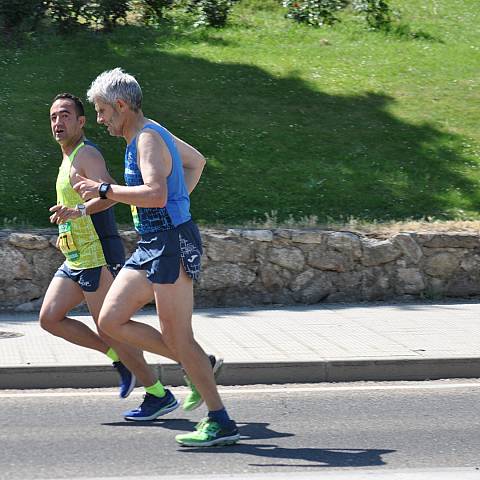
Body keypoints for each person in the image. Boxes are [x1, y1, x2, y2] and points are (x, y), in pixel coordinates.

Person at [74, 68, 240, 447]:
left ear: (120, 106)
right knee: (111, 319)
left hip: (169, 243)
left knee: (177, 337)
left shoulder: (147, 140)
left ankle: (220, 420)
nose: (99, 120)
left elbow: (155, 194)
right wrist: (84, 209)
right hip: (153, 242)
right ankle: (200, 364)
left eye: (101, 111)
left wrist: (105, 188)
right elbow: (195, 162)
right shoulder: (150, 133)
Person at [41, 92, 212, 419]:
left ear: (81, 122)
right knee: (51, 318)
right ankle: (122, 359)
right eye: (53, 117)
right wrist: (75, 212)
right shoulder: (68, 157)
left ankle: (170, 385)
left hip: (98, 254)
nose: (58, 122)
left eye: (65, 116)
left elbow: (109, 194)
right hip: (75, 256)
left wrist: (81, 207)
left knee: (115, 325)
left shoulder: (88, 153)